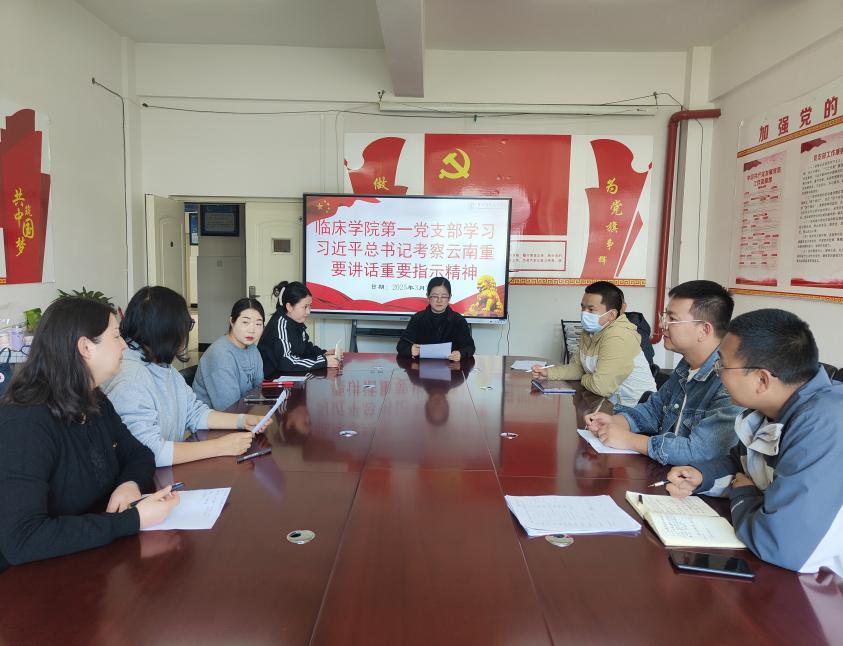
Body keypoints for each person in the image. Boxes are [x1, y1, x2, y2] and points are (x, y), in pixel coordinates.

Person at [0, 297, 178, 571]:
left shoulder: (94, 400)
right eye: (116, 336)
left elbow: (139, 453)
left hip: (84, 560)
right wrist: (132, 520)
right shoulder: (26, 423)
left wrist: (129, 483)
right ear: (85, 347)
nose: (124, 345)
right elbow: (23, 539)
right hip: (27, 580)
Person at [666, 309, 843, 576]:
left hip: (824, 583)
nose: (718, 374)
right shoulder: (771, 409)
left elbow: (780, 544)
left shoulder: (823, 424)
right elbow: (741, 462)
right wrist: (701, 476)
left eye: (722, 366)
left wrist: (744, 495)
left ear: (762, 379)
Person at [584, 280, 742, 465]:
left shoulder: (729, 382)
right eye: (664, 316)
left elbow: (699, 451)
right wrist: (616, 421)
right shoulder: (686, 365)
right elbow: (655, 410)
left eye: (672, 319)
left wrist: (630, 440)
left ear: (704, 330)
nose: (662, 324)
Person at [103, 286, 263, 467]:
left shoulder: (163, 365)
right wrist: (219, 446)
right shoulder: (131, 377)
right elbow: (149, 452)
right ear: (167, 330)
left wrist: (242, 420)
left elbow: (194, 412)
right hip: (147, 478)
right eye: (186, 325)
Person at [532, 281, 656, 405]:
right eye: (583, 308)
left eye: (591, 310)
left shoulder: (619, 336)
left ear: (611, 315)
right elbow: (578, 368)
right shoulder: (589, 332)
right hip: (606, 403)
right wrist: (548, 373)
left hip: (634, 409)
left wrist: (584, 376)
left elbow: (601, 387)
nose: (584, 314)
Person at [193, 298, 265, 410]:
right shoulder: (220, 355)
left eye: (258, 324)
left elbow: (259, 389)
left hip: (244, 412)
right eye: (245, 322)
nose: (252, 330)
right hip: (217, 418)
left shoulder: (252, 349)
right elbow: (229, 408)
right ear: (232, 321)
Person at [258, 281, 339, 376]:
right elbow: (286, 361)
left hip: (289, 375)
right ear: (289, 307)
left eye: (310, 306)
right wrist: (324, 361)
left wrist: (324, 354)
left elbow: (306, 348)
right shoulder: (280, 325)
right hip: (272, 379)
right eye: (305, 307)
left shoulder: (296, 321)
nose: (308, 311)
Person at [397, 277, 475, 362]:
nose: (439, 300)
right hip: (422, 366)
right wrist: (410, 349)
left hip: (451, 366)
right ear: (428, 297)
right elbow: (401, 345)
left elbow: (470, 347)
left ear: (449, 298)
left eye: (444, 296)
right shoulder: (418, 318)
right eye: (435, 296)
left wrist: (461, 353)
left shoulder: (458, 320)